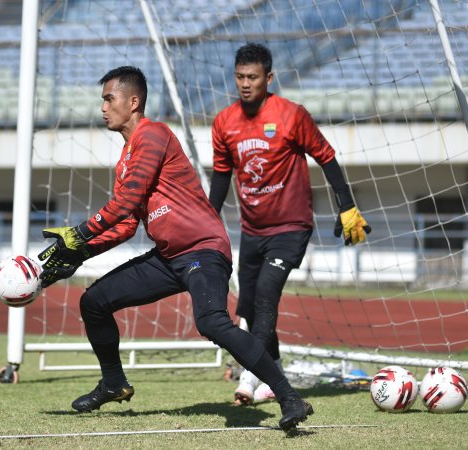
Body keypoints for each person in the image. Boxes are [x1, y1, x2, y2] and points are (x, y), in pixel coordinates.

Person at [37, 66, 313, 434]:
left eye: (108, 98)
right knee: (94, 302)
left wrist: (79, 234)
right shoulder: (125, 161)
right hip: (169, 258)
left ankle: (288, 396)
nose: (103, 107)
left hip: (204, 250)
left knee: (211, 322)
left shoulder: (153, 135)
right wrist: (79, 254)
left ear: (132, 102)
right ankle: (113, 383)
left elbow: (125, 202)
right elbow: (125, 223)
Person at [208, 43, 371, 405]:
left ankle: (253, 375)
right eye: (239, 77)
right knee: (249, 306)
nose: (245, 84)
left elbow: (326, 157)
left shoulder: (292, 115)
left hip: (291, 227)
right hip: (251, 231)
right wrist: (206, 219)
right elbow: (221, 178)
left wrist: (347, 206)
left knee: (267, 291)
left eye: (252, 77)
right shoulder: (224, 122)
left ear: (269, 77)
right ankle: (274, 369)